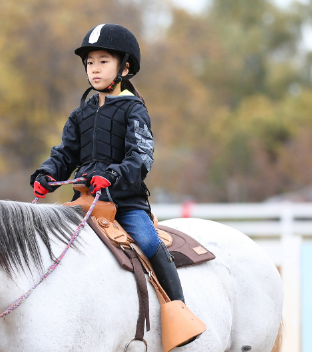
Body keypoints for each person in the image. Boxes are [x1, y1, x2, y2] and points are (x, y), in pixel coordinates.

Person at [29, 23, 192, 307]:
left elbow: (141, 157)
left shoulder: (135, 110)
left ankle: (178, 310)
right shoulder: (80, 114)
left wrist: (114, 174)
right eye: (90, 62)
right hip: (83, 200)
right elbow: (65, 154)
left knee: (149, 242)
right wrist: (46, 174)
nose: (94, 68)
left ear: (124, 69)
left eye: (103, 61)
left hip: (125, 203)